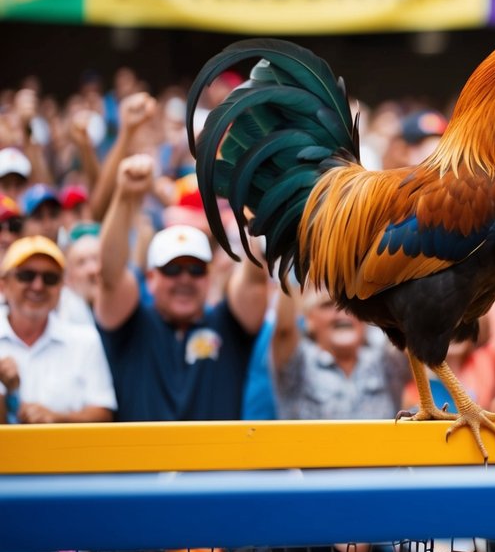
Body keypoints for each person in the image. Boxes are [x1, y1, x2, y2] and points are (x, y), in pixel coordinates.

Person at [96, 154, 268, 421]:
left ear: (209, 277)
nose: (185, 279)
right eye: (172, 269)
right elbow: (110, 276)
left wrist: (253, 204)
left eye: (196, 269)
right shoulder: (130, 325)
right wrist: (124, 196)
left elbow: (255, 281)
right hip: (143, 462)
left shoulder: (229, 324)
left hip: (216, 462)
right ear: (150, 278)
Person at [0, 236, 116, 424]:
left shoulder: (85, 340)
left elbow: (103, 413)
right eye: (26, 275)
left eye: (50, 278)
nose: (38, 286)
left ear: (61, 288)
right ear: (3, 284)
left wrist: (57, 418)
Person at [270, 286, 410, 420]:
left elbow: (409, 329)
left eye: (353, 304)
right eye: (327, 305)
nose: (342, 312)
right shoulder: (299, 364)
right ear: (309, 320)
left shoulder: (386, 361)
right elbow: (284, 331)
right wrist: (287, 272)